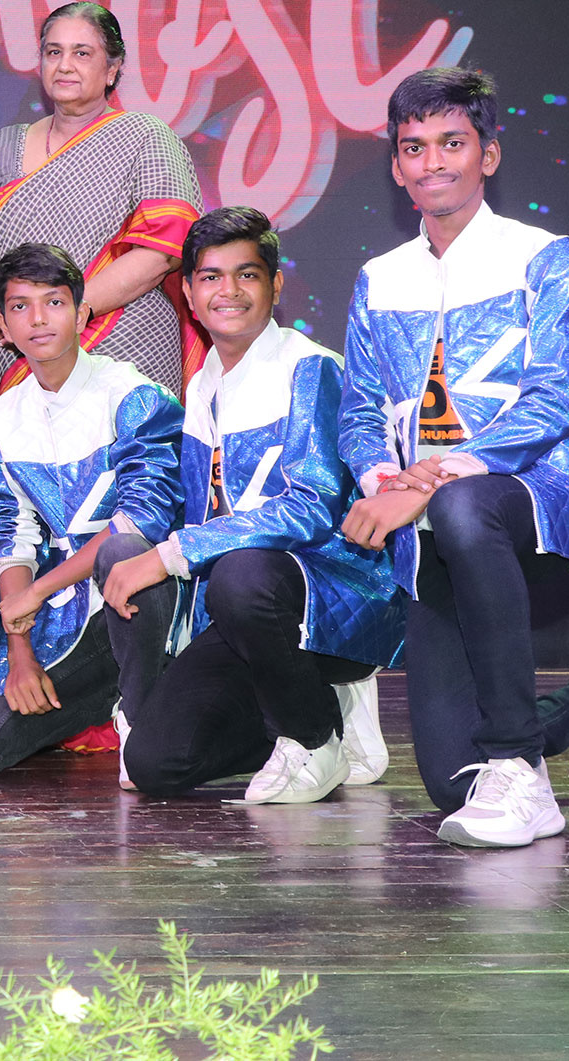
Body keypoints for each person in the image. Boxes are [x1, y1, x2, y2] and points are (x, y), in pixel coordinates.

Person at [337, 66, 569, 847]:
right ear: (397, 166)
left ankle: (522, 770)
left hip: (534, 483)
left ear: (488, 153)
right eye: (414, 147)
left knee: (461, 503)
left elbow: (552, 398)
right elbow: (358, 412)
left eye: (452, 142)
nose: (433, 162)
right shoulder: (378, 279)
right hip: (426, 519)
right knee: (450, 781)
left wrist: (433, 476)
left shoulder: (542, 255)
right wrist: (383, 479)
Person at [88, 207, 404, 802]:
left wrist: (169, 555)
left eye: (247, 275)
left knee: (241, 573)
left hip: (326, 594)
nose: (228, 291)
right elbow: (200, 508)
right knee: (154, 764)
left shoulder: (310, 367)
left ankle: (312, 738)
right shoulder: (202, 382)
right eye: (210, 277)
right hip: (240, 615)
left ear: (275, 285)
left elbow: (311, 506)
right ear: (188, 292)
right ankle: (319, 711)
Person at [0, 243, 183, 780]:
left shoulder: (134, 395)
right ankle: (95, 698)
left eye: (53, 302)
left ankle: (144, 710)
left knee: (124, 551)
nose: (38, 319)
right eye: (20, 306)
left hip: (148, 598)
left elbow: (144, 519)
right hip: (61, 612)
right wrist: (20, 649)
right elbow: (11, 536)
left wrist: (38, 591)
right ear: (3, 323)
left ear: (80, 311)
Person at [0, 2, 204, 399]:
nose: (65, 65)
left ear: (112, 69)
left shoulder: (145, 137)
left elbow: (163, 251)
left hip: (122, 347)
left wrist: (70, 309)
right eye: (54, 52)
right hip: (13, 354)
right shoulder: (4, 146)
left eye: (82, 53)